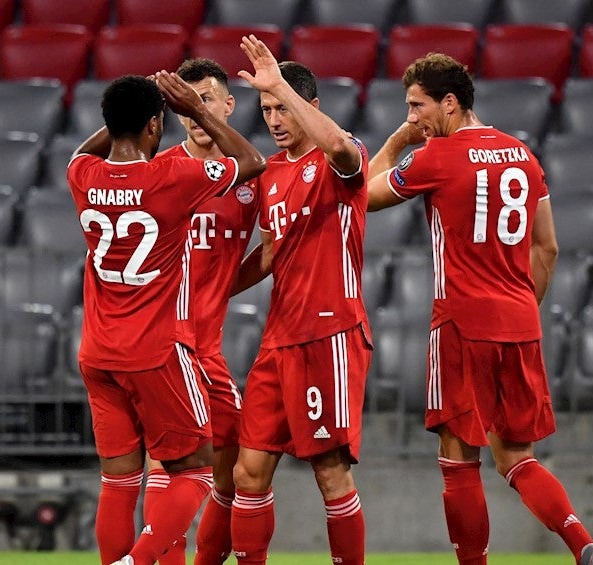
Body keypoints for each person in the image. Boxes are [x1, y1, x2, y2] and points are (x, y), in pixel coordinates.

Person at [364, 53, 593, 565]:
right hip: (519, 324)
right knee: (517, 457)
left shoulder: (437, 156)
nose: (412, 117)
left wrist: (395, 143)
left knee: (458, 462)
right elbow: (548, 248)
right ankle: (583, 545)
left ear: (449, 103)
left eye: (416, 106)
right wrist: (520, 307)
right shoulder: (523, 155)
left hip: (460, 325)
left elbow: (361, 194)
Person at [66, 73, 265, 565]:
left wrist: (125, 113)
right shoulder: (170, 179)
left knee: (117, 480)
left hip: (96, 352)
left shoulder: (81, 176)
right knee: (196, 470)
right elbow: (252, 162)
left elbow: (80, 152)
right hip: (155, 350)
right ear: (158, 124)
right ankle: (140, 560)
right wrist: (197, 111)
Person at [229, 35, 371, 565]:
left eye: (282, 106)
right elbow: (269, 253)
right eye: (265, 108)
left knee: (329, 471)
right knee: (249, 471)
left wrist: (279, 84)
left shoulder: (342, 157)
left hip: (329, 333)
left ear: (309, 107)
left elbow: (338, 149)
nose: (273, 118)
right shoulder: (271, 173)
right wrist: (213, 291)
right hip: (279, 338)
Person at [142, 58, 262, 565]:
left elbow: (271, 254)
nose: (194, 112)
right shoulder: (162, 171)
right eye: (184, 105)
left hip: (208, 345)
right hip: (164, 341)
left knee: (231, 469)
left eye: (205, 100)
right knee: (166, 462)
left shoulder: (253, 177)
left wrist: (216, 289)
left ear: (228, 105)